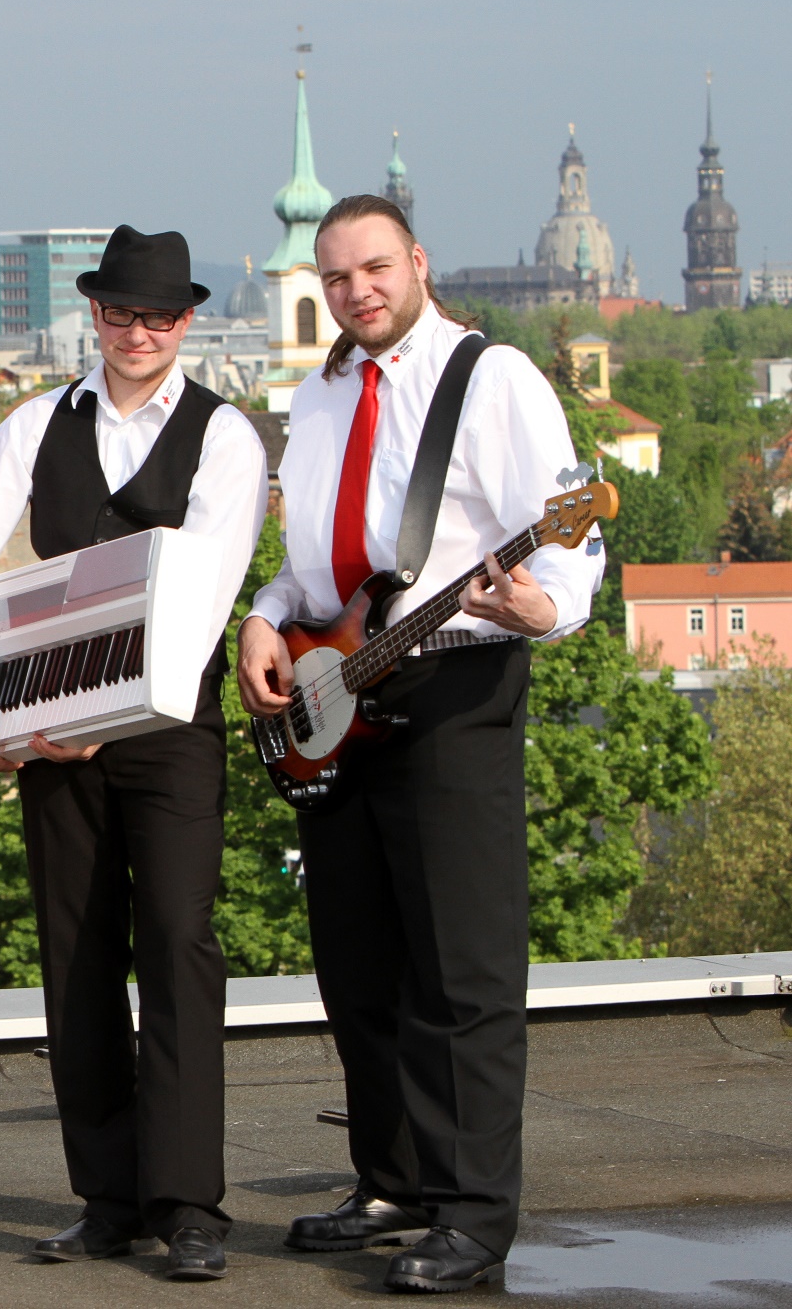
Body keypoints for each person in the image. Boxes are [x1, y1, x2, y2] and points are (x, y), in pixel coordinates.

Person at [236, 195, 604, 1294]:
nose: (357, 290)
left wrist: (548, 609)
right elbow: (313, 568)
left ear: (418, 263)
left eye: (375, 267)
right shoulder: (315, 395)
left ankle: (473, 1211)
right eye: (338, 275)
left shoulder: (491, 379)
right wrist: (265, 613)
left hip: (454, 678)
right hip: (339, 689)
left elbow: (561, 528)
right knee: (358, 962)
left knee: (464, 967)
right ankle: (388, 1179)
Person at [0, 226, 267, 1281]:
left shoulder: (226, 437)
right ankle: (107, 1199)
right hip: (47, 734)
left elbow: (202, 599)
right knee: (73, 958)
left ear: (186, 322)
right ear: (94, 316)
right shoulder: (34, 425)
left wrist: (105, 710)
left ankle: (189, 1201)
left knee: (175, 945)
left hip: (165, 734)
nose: (136, 332)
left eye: (157, 316)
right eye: (119, 313)